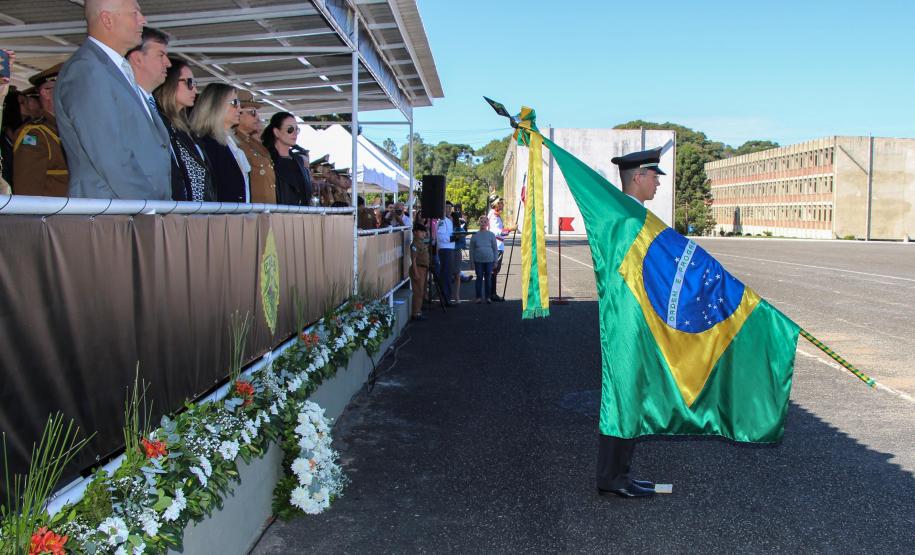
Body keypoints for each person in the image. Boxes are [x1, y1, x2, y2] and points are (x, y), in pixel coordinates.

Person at [596, 147, 666, 499]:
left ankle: (621, 472)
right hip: (626, 319)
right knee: (622, 396)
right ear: (637, 176)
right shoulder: (628, 219)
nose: (657, 183)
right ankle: (611, 477)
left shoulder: (635, 215)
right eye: (654, 176)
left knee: (632, 395)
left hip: (637, 318)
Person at [55, 0, 172, 200]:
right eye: (134, 13)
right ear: (107, 20)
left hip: (128, 213)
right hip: (112, 215)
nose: (143, 20)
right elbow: (110, 157)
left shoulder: (113, 69)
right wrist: (149, 208)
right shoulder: (87, 70)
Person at [153, 57, 215, 202]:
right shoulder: (160, 123)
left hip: (196, 213)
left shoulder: (187, 130)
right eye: (189, 83)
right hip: (181, 212)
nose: (195, 89)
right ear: (170, 82)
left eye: (194, 83)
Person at [12, 63, 69, 197]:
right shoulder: (36, 135)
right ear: (46, 93)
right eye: (66, 87)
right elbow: (27, 193)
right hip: (54, 217)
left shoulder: (65, 130)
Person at [191, 84, 248, 203]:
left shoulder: (230, 144)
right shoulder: (206, 144)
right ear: (216, 105)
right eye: (234, 103)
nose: (240, 109)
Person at [262, 112, 312, 206]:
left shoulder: (300, 161)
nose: (295, 133)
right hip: (277, 216)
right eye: (290, 129)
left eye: (297, 129)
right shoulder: (266, 159)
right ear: (276, 132)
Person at [234, 90, 275, 204]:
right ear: (238, 112)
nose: (258, 117)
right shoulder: (234, 143)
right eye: (252, 112)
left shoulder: (252, 143)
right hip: (251, 214)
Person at [487, 196, 516, 302]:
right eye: (500, 203)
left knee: (494, 270)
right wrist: (510, 229)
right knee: (493, 270)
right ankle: (491, 294)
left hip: (497, 245)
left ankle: (491, 294)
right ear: (495, 204)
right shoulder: (494, 216)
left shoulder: (495, 215)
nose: (502, 205)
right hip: (496, 245)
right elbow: (496, 232)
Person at [469, 216, 498, 304]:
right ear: (479, 223)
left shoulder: (491, 235)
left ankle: (488, 297)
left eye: (485, 222)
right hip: (478, 261)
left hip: (489, 260)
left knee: (488, 279)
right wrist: (472, 262)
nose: (483, 223)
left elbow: (495, 249)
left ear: (487, 223)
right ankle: (478, 297)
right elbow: (471, 250)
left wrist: (495, 261)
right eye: (481, 221)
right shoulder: (474, 235)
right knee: (479, 278)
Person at [435, 200, 455, 306]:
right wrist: (453, 238)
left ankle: (447, 298)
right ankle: (445, 299)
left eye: (449, 207)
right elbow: (441, 236)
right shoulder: (442, 221)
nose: (448, 209)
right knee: (446, 275)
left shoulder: (449, 220)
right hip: (445, 249)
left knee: (448, 274)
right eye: (446, 207)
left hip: (449, 248)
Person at [409, 222, 431, 321]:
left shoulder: (421, 242)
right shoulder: (415, 244)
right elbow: (413, 259)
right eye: (421, 231)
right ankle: (416, 313)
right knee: (418, 292)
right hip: (418, 268)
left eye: (424, 232)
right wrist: (416, 272)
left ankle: (419, 311)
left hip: (423, 268)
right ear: (415, 232)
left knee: (421, 291)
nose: (423, 234)